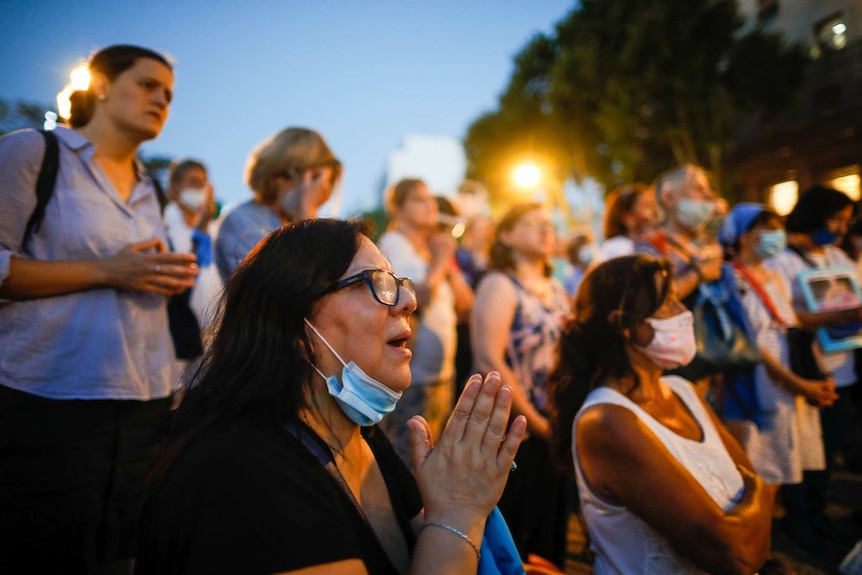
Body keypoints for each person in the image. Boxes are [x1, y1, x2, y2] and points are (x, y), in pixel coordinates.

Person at [136, 218, 526, 575]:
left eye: (399, 284)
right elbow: (447, 533)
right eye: (375, 283)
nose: (408, 302)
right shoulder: (241, 474)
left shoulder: (361, 435)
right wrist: (457, 515)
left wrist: (457, 490)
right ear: (294, 328)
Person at [0, 45, 198, 574]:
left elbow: (132, 271)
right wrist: (107, 271)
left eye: (169, 94)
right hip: (50, 398)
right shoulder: (32, 154)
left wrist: (164, 278)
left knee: (123, 554)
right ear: (103, 84)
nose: (161, 99)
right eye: (147, 84)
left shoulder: (148, 185)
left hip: (144, 397)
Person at [548, 254, 776, 574]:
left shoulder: (682, 390)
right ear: (624, 324)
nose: (683, 312)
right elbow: (735, 554)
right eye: (667, 302)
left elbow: (750, 487)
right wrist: (759, 492)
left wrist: (754, 498)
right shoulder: (607, 422)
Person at [719, 203, 839, 560]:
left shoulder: (776, 274)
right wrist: (796, 383)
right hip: (761, 382)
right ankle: (754, 552)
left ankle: (776, 540)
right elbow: (752, 344)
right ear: (743, 235)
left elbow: (791, 327)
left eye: (777, 226)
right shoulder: (731, 277)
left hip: (789, 375)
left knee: (786, 459)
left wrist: (814, 374)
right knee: (761, 466)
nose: (776, 235)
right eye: (766, 227)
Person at [471, 202, 571, 569]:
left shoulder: (556, 287)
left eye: (548, 224)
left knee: (549, 530)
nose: (546, 230)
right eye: (532, 224)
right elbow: (489, 360)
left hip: (553, 419)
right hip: (514, 425)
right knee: (516, 529)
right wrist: (536, 421)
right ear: (506, 236)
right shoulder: (499, 283)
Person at [768, 185, 861, 551]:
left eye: (845, 222)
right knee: (805, 450)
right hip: (807, 372)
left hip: (844, 367)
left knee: (831, 447)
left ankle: (819, 515)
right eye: (834, 219)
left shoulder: (839, 257)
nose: (839, 228)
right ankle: (800, 521)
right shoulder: (782, 263)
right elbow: (783, 318)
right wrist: (837, 315)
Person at [377, 179, 473, 464]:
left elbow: (466, 306)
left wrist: (445, 260)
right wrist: (442, 260)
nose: (431, 205)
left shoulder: (428, 251)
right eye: (420, 200)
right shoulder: (394, 244)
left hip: (441, 377)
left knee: (434, 463)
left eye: (431, 198)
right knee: (411, 464)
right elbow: (415, 297)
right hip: (413, 382)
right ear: (398, 208)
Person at [214, 127, 341, 281]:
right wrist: (307, 211)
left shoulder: (291, 221)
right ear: (281, 177)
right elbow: (284, 290)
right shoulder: (241, 221)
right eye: (314, 179)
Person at [164, 159, 223, 387]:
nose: (200, 188)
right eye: (193, 182)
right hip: (175, 340)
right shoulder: (164, 226)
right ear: (175, 187)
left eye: (203, 182)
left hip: (209, 338)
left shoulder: (213, 228)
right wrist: (200, 232)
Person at [597, 182, 657, 263]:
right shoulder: (618, 247)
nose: (653, 211)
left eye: (652, 205)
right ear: (628, 218)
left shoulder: (651, 241)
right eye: (645, 206)